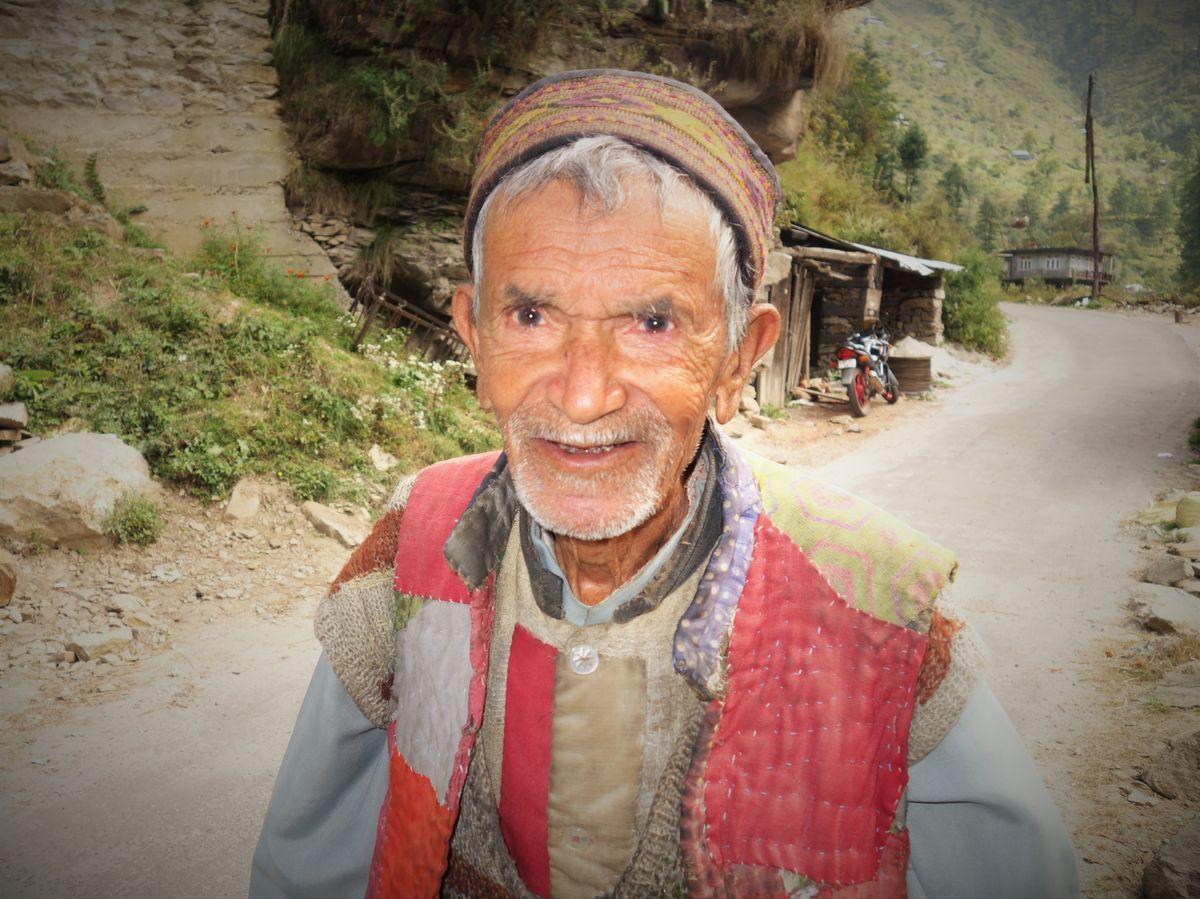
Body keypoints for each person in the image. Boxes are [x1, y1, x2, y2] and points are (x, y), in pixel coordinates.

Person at [251, 69, 1078, 899]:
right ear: (472, 337)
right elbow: (306, 866)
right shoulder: (414, 539)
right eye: (530, 316)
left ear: (738, 360)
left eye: (652, 323)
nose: (582, 394)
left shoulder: (881, 611)